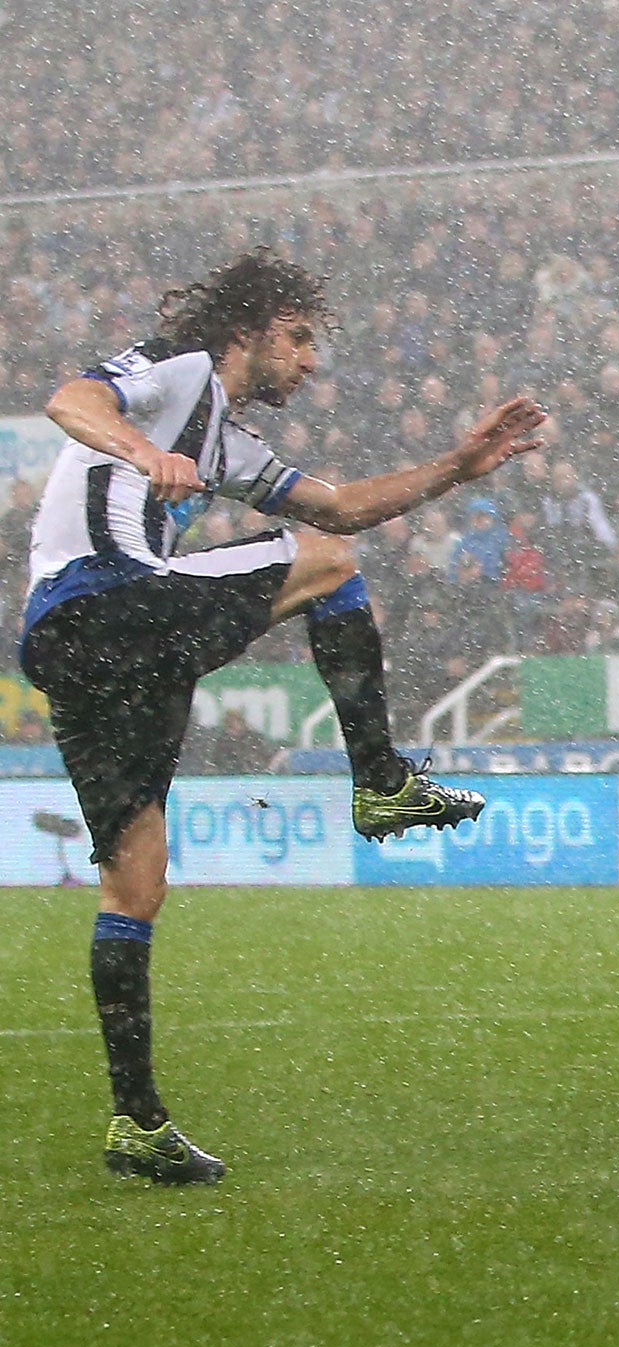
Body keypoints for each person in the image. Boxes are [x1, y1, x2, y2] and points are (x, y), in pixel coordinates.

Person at [20, 251, 546, 1185]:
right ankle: (380, 781)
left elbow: (339, 506)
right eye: (298, 338)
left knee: (135, 884)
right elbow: (69, 398)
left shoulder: (225, 443)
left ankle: (138, 1124)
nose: (308, 360)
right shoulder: (180, 375)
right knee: (329, 568)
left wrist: (461, 468)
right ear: (250, 331)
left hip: (86, 652)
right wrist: (145, 452)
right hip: (103, 599)